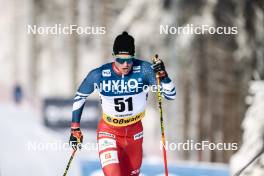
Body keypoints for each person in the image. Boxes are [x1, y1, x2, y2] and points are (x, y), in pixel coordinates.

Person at [69, 31, 176, 176]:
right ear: (113, 56)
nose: (125, 64)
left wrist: (164, 76)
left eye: (129, 59)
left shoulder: (144, 70)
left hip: (134, 133)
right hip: (109, 132)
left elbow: (170, 95)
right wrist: (75, 128)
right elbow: (79, 96)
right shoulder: (100, 74)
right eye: (120, 60)